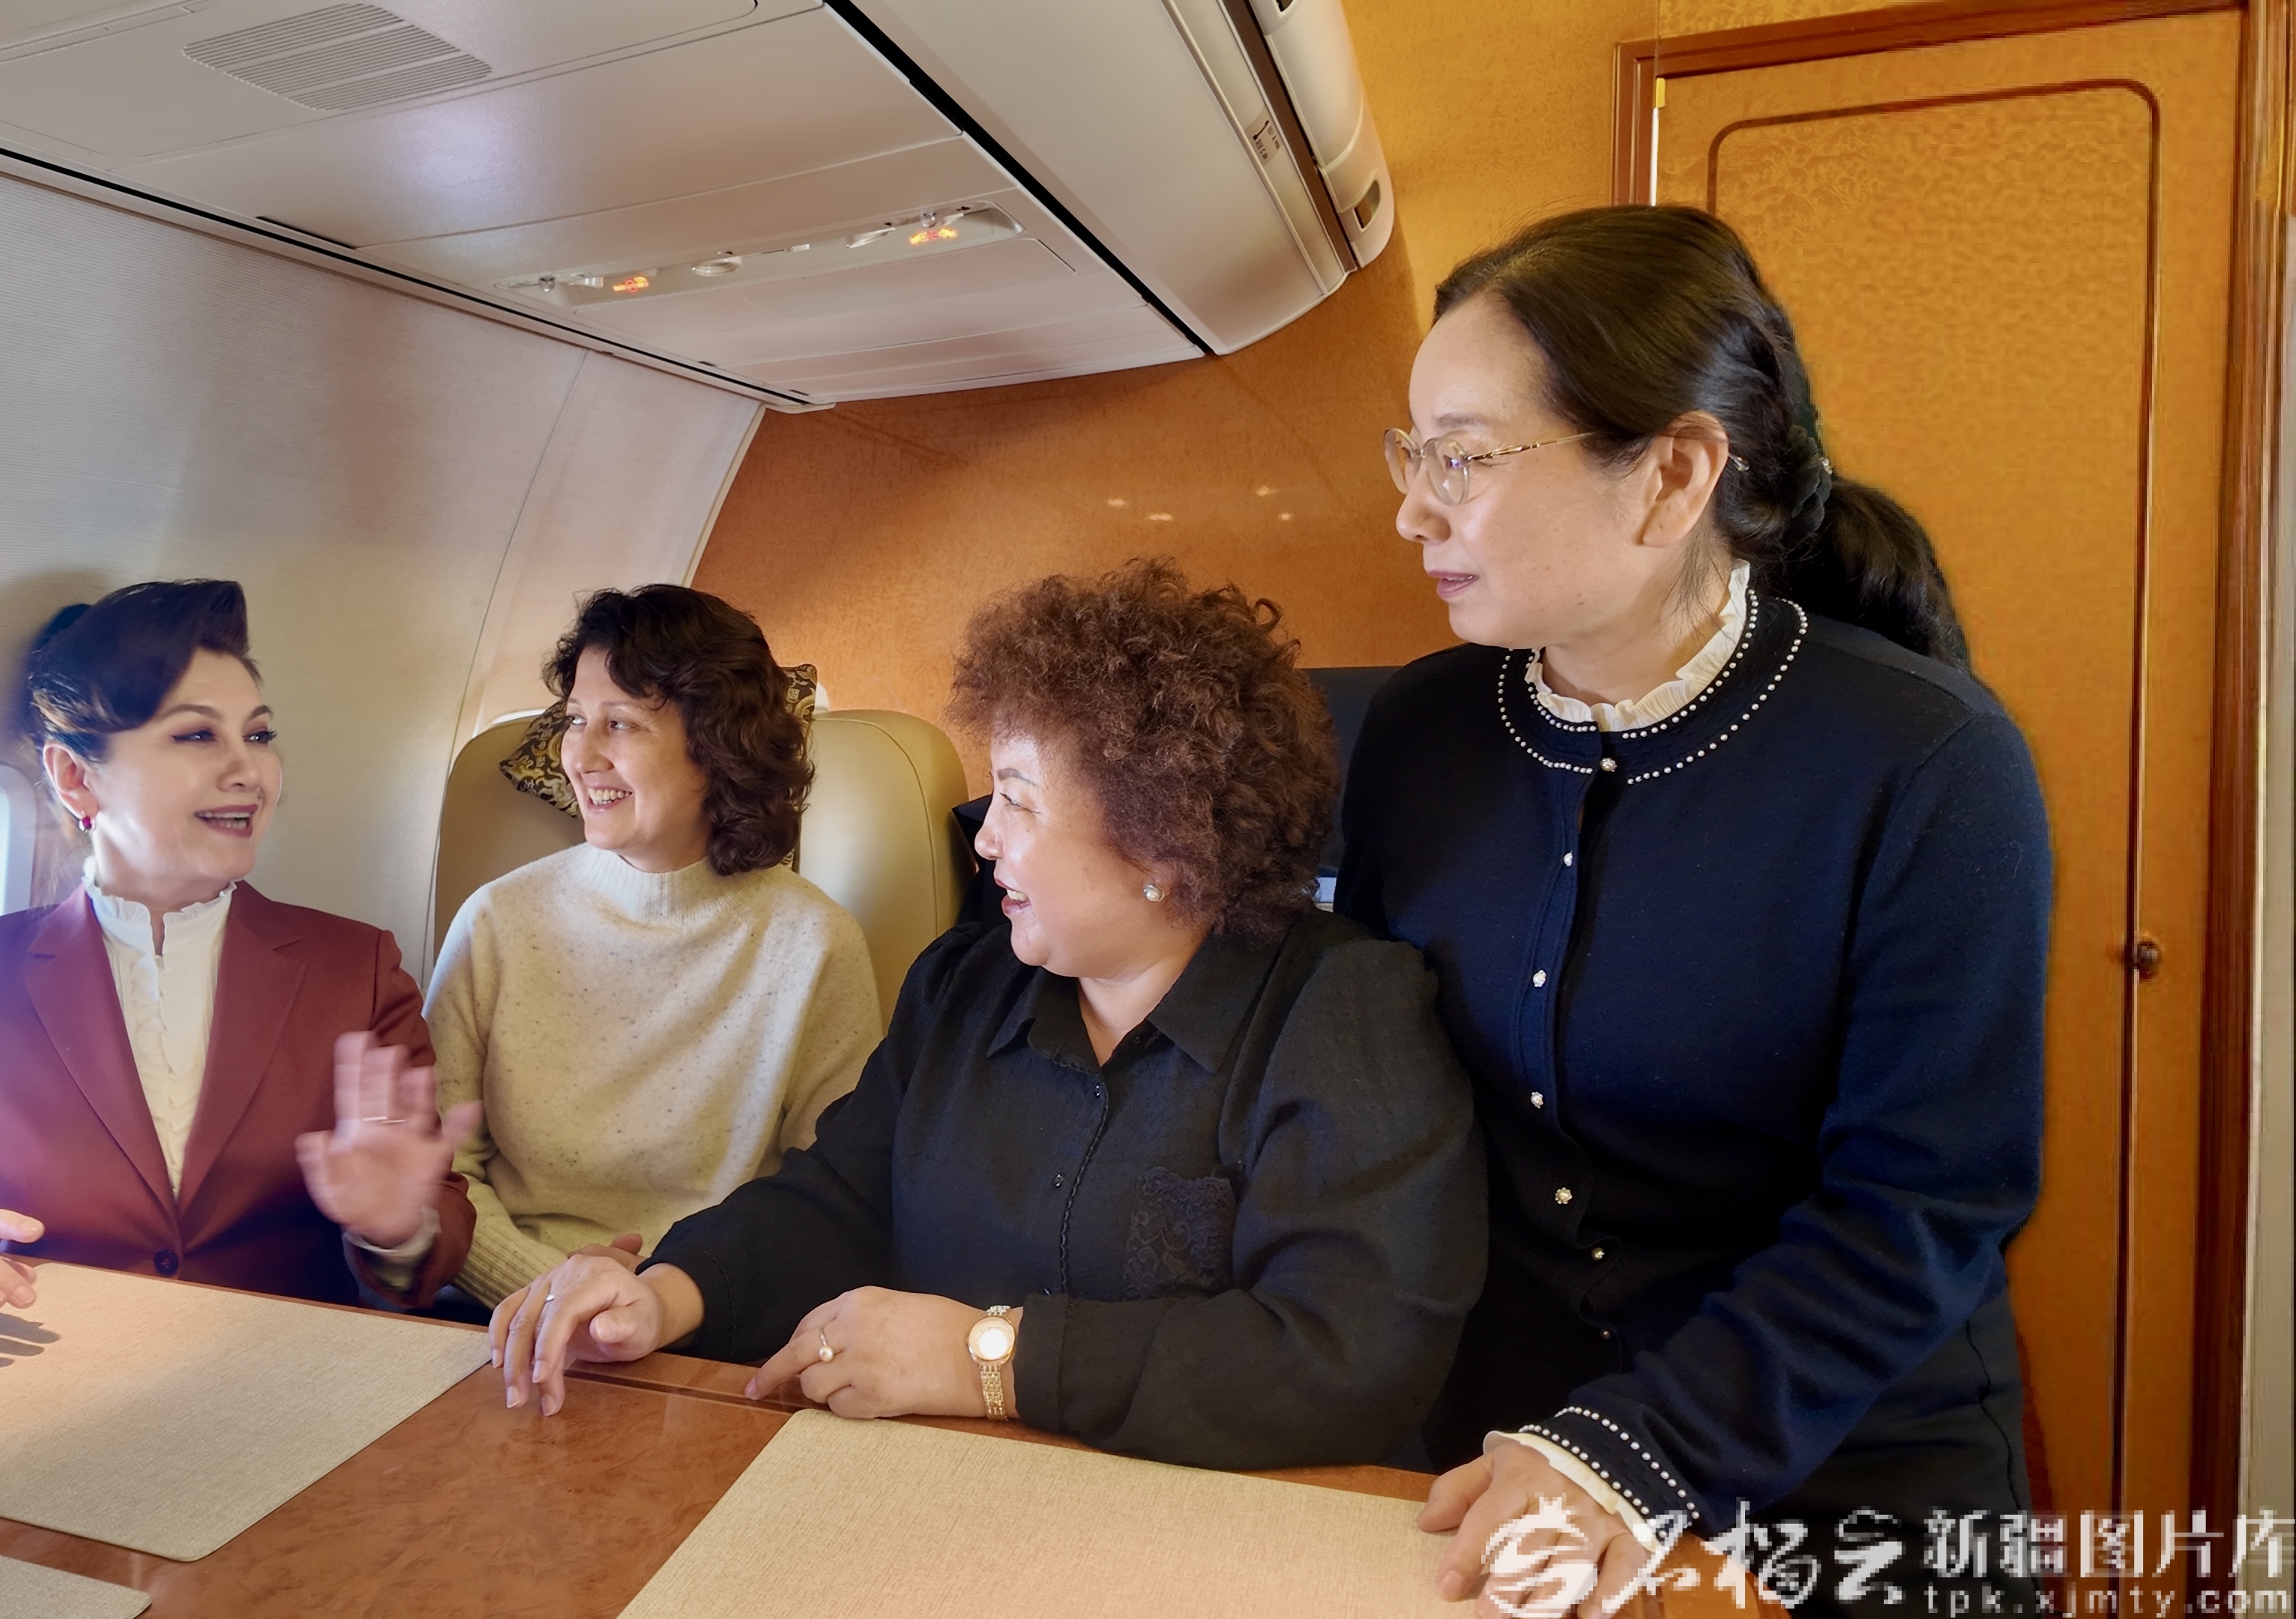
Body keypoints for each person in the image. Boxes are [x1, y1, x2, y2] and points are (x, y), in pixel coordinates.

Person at [1336, 207, 2049, 1618]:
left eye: (1463, 457)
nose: (1416, 509)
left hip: (1842, 1472)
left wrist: (1631, 1451)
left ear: (1670, 475)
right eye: (1414, 454)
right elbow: (1368, 1093)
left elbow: (1922, 1203)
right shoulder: (1421, 733)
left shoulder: (1927, 761)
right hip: (1504, 1459)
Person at [487, 561, 1486, 1471]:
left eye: (1018, 799)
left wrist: (989, 1359)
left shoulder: (1343, 1010)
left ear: (1162, 838)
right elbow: (838, 1199)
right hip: (949, 1495)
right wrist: (665, 1293)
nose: (985, 839)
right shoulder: (961, 988)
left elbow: (1350, 1355)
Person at [0, 579, 478, 1336]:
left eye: (259, 735)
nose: (250, 771)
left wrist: (397, 1228)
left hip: (295, 1390)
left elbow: (434, 1247)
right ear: (75, 778)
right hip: (53, 1391)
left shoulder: (355, 970)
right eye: (197, 735)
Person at [388, 585, 881, 1310]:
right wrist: (560, 1300)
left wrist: (665, 1304)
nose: (581, 755)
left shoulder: (814, 943)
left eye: (619, 724)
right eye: (575, 720)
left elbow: (829, 1196)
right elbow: (445, 1174)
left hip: (712, 1313)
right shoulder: (495, 922)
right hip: (504, 1312)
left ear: (717, 746)